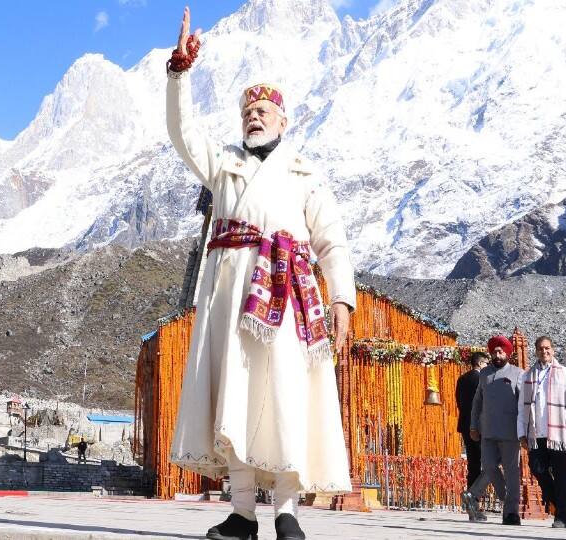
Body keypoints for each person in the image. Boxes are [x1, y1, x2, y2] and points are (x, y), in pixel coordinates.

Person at [166, 7, 356, 540]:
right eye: (249, 110)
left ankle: (289, 512)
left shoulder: (305, 174)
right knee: (237, 393)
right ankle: (242, 512)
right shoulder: (222, 163)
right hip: (231, 296)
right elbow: (180, 131)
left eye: (265, 110)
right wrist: (179, 73)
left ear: (284, 120)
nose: (255, 115)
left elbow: (332, 239)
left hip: (289, 295)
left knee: (286, 392)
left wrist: (341, 298)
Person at [517, 336, 566, 529]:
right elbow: (521, 408)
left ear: (553, 350)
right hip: (536, 433)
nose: (544, 351)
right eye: (540, 348)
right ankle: (558, 506)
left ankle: (561, 516)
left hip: (558, 435)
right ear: (536, 351)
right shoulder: (527, 376)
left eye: (547, 348)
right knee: (537, 469)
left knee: (561, 474)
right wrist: (521, 433)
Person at [464, 336, 524, 525]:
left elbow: (524, 406)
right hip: (487, 432)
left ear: (508, 353)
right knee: (489, 466)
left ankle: (511, 513)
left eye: (501, 351)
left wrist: (525, 431)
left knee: (512, 472)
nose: (497, 355)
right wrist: (473, 425)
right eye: (495, 352)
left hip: (510, 432)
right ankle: (507, 498)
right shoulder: (484, 374)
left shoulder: (518, 374)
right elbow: (477, 402)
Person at [455, 351, 488, 491]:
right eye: (487, 363)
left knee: (473, 463)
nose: (488, 366)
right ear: (480, 363)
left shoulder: (462, 379)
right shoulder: (483, 379)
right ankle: (474, 493)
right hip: (481, 427)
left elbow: (459, 402)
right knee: (489, 463)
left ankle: (471, 496)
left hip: (465, 425)